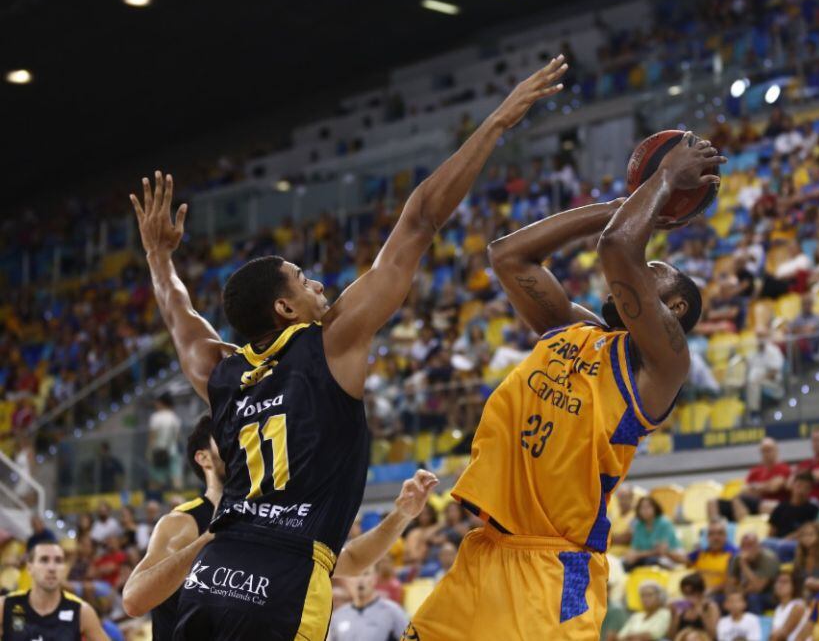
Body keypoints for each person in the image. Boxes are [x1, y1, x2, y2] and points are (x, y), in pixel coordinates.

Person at [131, 57, 569, 639]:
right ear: (284, 308)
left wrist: (159, 256)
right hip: (285, 579)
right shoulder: (331, 344)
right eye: (301, 278)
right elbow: (418, 221)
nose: (317, 283)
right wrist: (496, 122)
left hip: (216, 572)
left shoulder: (220, 372)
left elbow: (179, 315)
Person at [408, 131, 720, 640]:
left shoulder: (662, 365)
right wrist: (623, 205)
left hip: (554, 573)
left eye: (656, 270)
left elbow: (619, 248)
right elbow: (508, 256)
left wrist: (664, 181)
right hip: (486, 552)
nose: (644, 267)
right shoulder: (574, 328)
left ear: (676, 308)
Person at [122, 415, 224, 638]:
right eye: (226, 436)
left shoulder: (268, 515)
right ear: (204, 458)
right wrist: (207, 540)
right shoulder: (183, 522)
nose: (239, 443)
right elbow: (134, 600)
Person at [0, 539, 110, 640]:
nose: (52, 568)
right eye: (44, 560)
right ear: (30, 568)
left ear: (64, 568)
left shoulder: (82, 611)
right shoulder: (5, 605)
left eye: (58, 561)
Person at [713, 438, 790, 522]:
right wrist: (762, 487)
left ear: (776, 451)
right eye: (763, 451)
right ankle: (715, 529)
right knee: (713, 503)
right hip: (750, 503)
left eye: (769, 450)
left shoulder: (783, 468)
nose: (766, 454)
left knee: (739, 499)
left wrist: (755, 487)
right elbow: (744, 490)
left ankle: (743, 528)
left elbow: (773, 487)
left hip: (769, 505)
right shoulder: (755, 471)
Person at [326, 566, 408, 641]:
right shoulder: (337, 616)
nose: (360, 579)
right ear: (348, 580)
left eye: (366, 574)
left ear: (375, 578)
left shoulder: (393, 612)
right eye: (355, 575)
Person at [624, 496, 684, 570]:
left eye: (648, 507)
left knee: (652, 563)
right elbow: (634, 549)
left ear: (655, 508)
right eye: (642, 508)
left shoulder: (664, 523)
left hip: (670, 557)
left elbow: (661, 551)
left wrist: (638, 555)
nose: (645, 510)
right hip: (646, 558)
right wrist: (631, 555)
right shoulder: (639, 525)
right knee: (626, 564)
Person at [769, 473, 819, 559]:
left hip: (799, 545)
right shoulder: (781, 507)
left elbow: (811, 531)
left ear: (810, 490)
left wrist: (790, 538)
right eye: (799, 485)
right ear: (793, 485)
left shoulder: (813, 509)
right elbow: (771, 532)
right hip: (778, 543)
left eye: (805, 487)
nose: (801, 490)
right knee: (765, 543)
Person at [726, 533, 780, 614]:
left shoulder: (769, 558)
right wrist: (734, 597)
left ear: (759, 546)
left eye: (751, 545)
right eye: (744, 546)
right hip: (746, 591)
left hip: (771, 595)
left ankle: (755, 625)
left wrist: (743, 564)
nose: (747, 549)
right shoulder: (736, 558)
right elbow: (730, 585)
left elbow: (758, 587)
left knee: (753, 598)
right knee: (723, 599)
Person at [687, 522, 737, 601]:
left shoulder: (734, 554)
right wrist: (667, 553)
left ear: (726, 536)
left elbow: (733, 582)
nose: (715, 537)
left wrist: (712, 590)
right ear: (707, 537)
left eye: (720, 533)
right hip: (700, 594)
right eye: (711, 534)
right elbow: (684, 560)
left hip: (721, 596)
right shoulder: (700, 553)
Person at [667, 573, 721, 641]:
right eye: (685, 593)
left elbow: (714, 635)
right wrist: (675, 617)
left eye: (692, 592)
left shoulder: (710, 607)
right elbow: (671, 637)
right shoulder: (680, 607)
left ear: (700, 592)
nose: (689, 596)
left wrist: (702, 614)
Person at [147, 395, 182, 491]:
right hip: (173, 450)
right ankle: (179, 500)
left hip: (158, 451)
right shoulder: (174, 417)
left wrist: (149, 452)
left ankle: (155, 501)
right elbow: (178, 437)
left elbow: (152, 436)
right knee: (176, 477)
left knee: (156, 480)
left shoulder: (156, 417)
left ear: (161, 403)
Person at [792, 523, 819, 598]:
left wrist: (813, 584)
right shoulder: (798, 559)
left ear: (818, 536)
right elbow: (796, 583)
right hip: (803, 598)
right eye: (804, 535)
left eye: (811, 534)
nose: (807, 538)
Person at [770, 571, 808, 641]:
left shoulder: (798, 606)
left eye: (784, 582)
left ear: (794, 586)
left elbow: (782, 636)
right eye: (778, 581)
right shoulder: (778, 608)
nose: (779, 585)